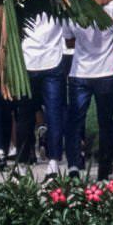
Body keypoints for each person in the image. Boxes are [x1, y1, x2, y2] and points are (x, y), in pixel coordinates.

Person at [65, 0, 113, 179]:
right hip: (105, 71)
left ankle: (74, 164)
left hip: (80, 71)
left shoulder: (73, 4)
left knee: (75, 119)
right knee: (106, 121)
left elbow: (69, 39)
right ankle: (105, 166)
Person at [15, 14, 69, 174]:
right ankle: (53, 163)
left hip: (27, 61)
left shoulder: (22, 1)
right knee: (54, 114)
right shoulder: (57, 1)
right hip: (52, 61)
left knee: (24, 116)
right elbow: (67, 35)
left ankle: (22, 164)